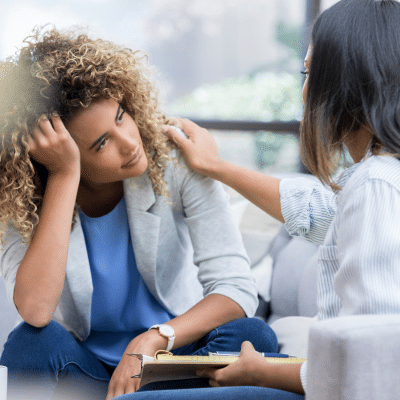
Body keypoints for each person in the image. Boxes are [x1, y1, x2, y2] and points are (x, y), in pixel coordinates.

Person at [124, 0, 400, 398]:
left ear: (347, 81)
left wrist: (262, 373)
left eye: (311, 73)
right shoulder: (374, 180)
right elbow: (322, 215)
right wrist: (217, 167)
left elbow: (372, 362)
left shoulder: (376, 185)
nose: (305, 93)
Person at [0, 28, 279, 400]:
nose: (130, 143)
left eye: (121, 116)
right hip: (87, 372)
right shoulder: (21, 197)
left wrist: (155, 337)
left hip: (171, 363)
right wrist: (66, 176)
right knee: (28, 343)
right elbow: (34, 311)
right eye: (101, 143)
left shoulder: (174, 160)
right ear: (56, 155)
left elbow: (236, 288)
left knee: (253, 335)